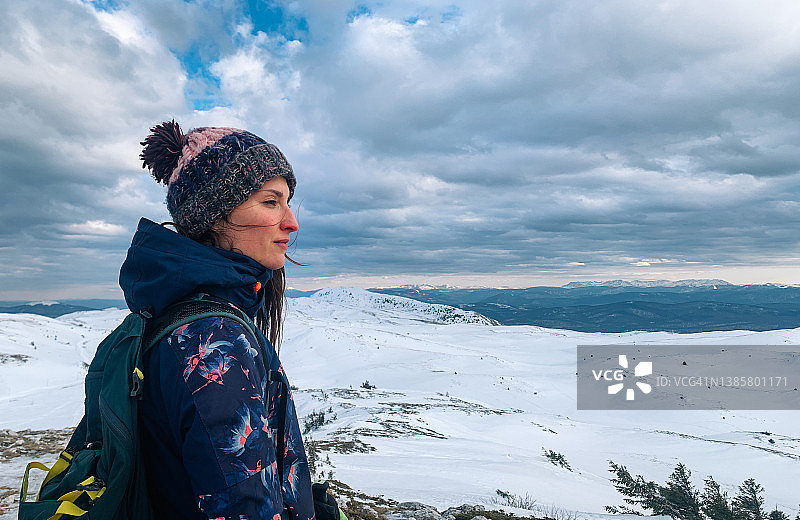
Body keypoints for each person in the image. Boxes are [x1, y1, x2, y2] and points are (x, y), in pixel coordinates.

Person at [119, 121, 315, 519]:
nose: (292, 222)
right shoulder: (213, 340)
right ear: (214, 214)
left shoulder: (179, 312)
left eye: (288, 202)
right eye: (271, 201)